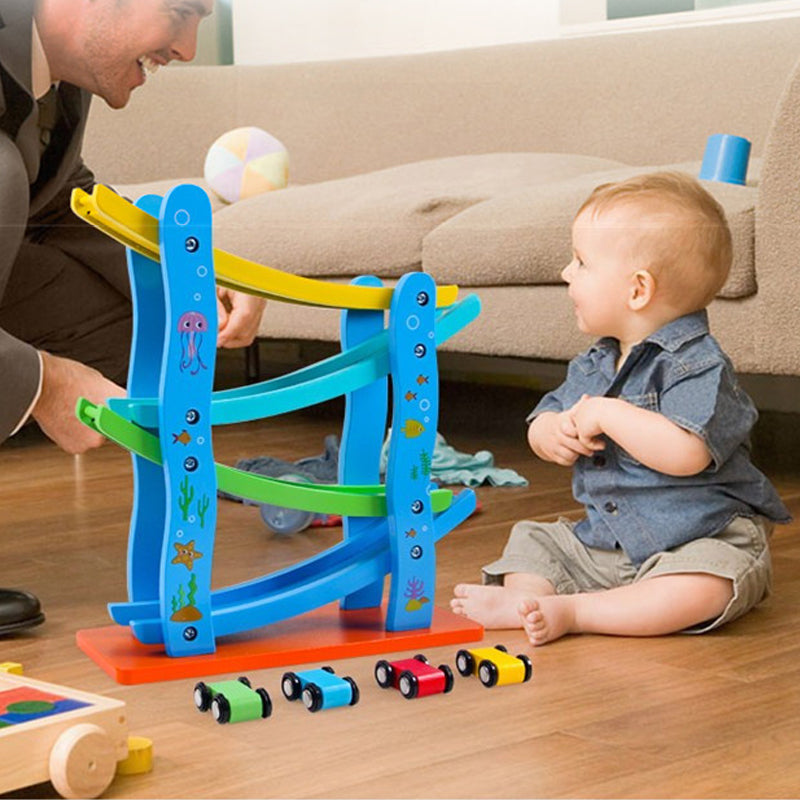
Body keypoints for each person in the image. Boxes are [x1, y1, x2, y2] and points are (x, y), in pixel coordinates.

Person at [0, 0, 265, 634]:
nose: (190, 49)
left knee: (151, 326)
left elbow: (58, 197)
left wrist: (194, 276)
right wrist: (42, 380)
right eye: (180, 12)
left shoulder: (57, 77)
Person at [451, 171, 791, 645]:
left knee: (711, 583)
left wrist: (609, 414)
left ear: (637, 290)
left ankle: (578, 611)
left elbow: (687, 452)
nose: (567, 273)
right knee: (535, 540)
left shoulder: (698, 365)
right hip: (607, 542)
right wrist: (549, 431)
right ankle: (531, 599)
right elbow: (545, 417)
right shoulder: (596, 362)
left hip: (699, 540)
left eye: (581, 262)